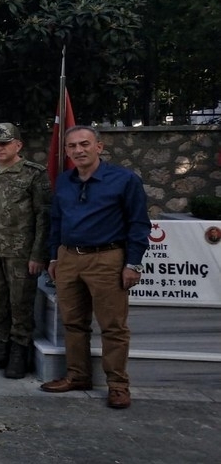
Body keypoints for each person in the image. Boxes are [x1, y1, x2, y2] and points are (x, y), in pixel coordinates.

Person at [42, 125, 150, 409]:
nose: (78, 150)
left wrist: (133, 264)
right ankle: (77, 376)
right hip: (68, 258)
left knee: (112, 326)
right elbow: (56, 221)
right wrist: (54, 257)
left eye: (84, 144)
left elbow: (139, 224)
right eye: (72, 146)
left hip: (107, 258)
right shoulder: (64, 181)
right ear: (66, 151)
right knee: (73, 322)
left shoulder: (124, 180)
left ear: (99, 147)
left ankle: (118, 385)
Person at [0, 123, 51, 379]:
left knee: (20, 303)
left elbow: (43, 217)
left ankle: (19, 353)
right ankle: (0, 348)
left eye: (4, 143)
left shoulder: (34, 174)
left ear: (18, 145)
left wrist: (38, 254)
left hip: (20, 253)